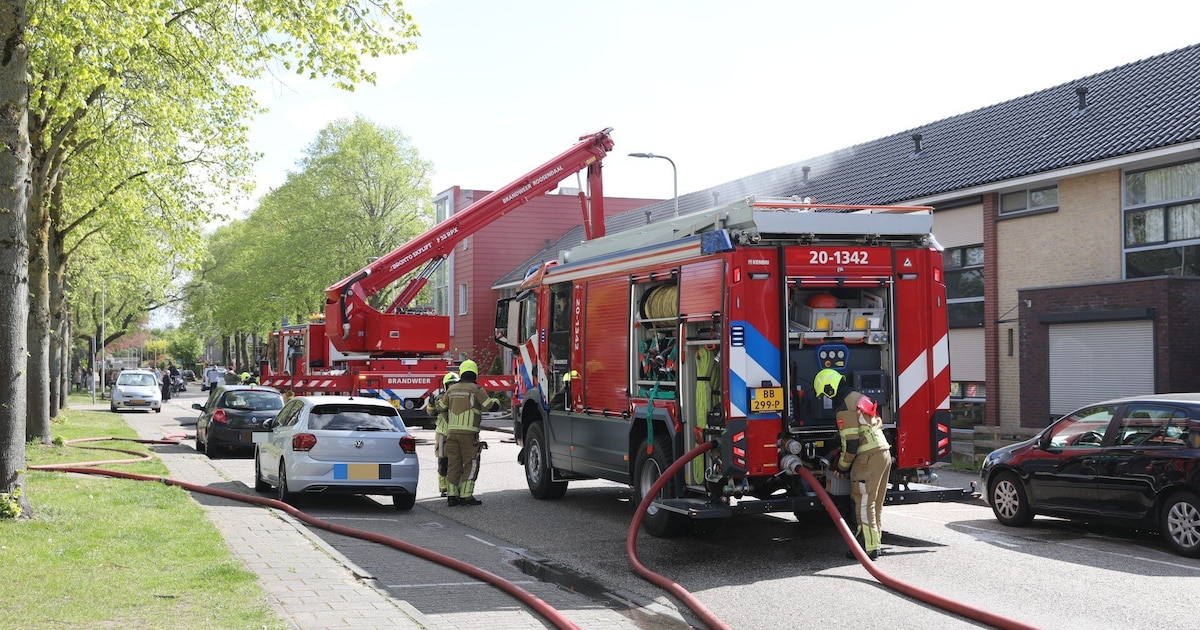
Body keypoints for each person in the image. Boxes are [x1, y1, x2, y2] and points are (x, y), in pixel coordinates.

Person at [815, 368, 892, 560]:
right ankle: (873, 543)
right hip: (883, 452)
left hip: (867, 457)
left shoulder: (844, 406)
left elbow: (851, 444)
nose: (827, 398)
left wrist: (841, 467)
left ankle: (867, 549)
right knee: (874, 502)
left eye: (825, 394)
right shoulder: (857, 397)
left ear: (830, 389)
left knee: (863, 501)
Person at [439, 359, 498, 507]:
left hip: (451, 434)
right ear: (475, 373)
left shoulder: (451, 390)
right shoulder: (476, 389)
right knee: (471, 464)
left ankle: (452, 496)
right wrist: (496, 402)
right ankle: (466, 496)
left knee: (453, 464)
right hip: (469, 434)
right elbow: (489, 406)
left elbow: (440, 407)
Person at [429, 372, 459, 497]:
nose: (452, 386)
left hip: (457, 433)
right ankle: (443, 487)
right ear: (446, 385)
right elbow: (431, 413)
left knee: (456, 462)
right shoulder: (439, 398)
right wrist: (431, 404)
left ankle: (456, 487)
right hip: (443, 433)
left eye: (454, 384)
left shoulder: (461, 398)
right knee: (443, 461)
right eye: (450, 384)